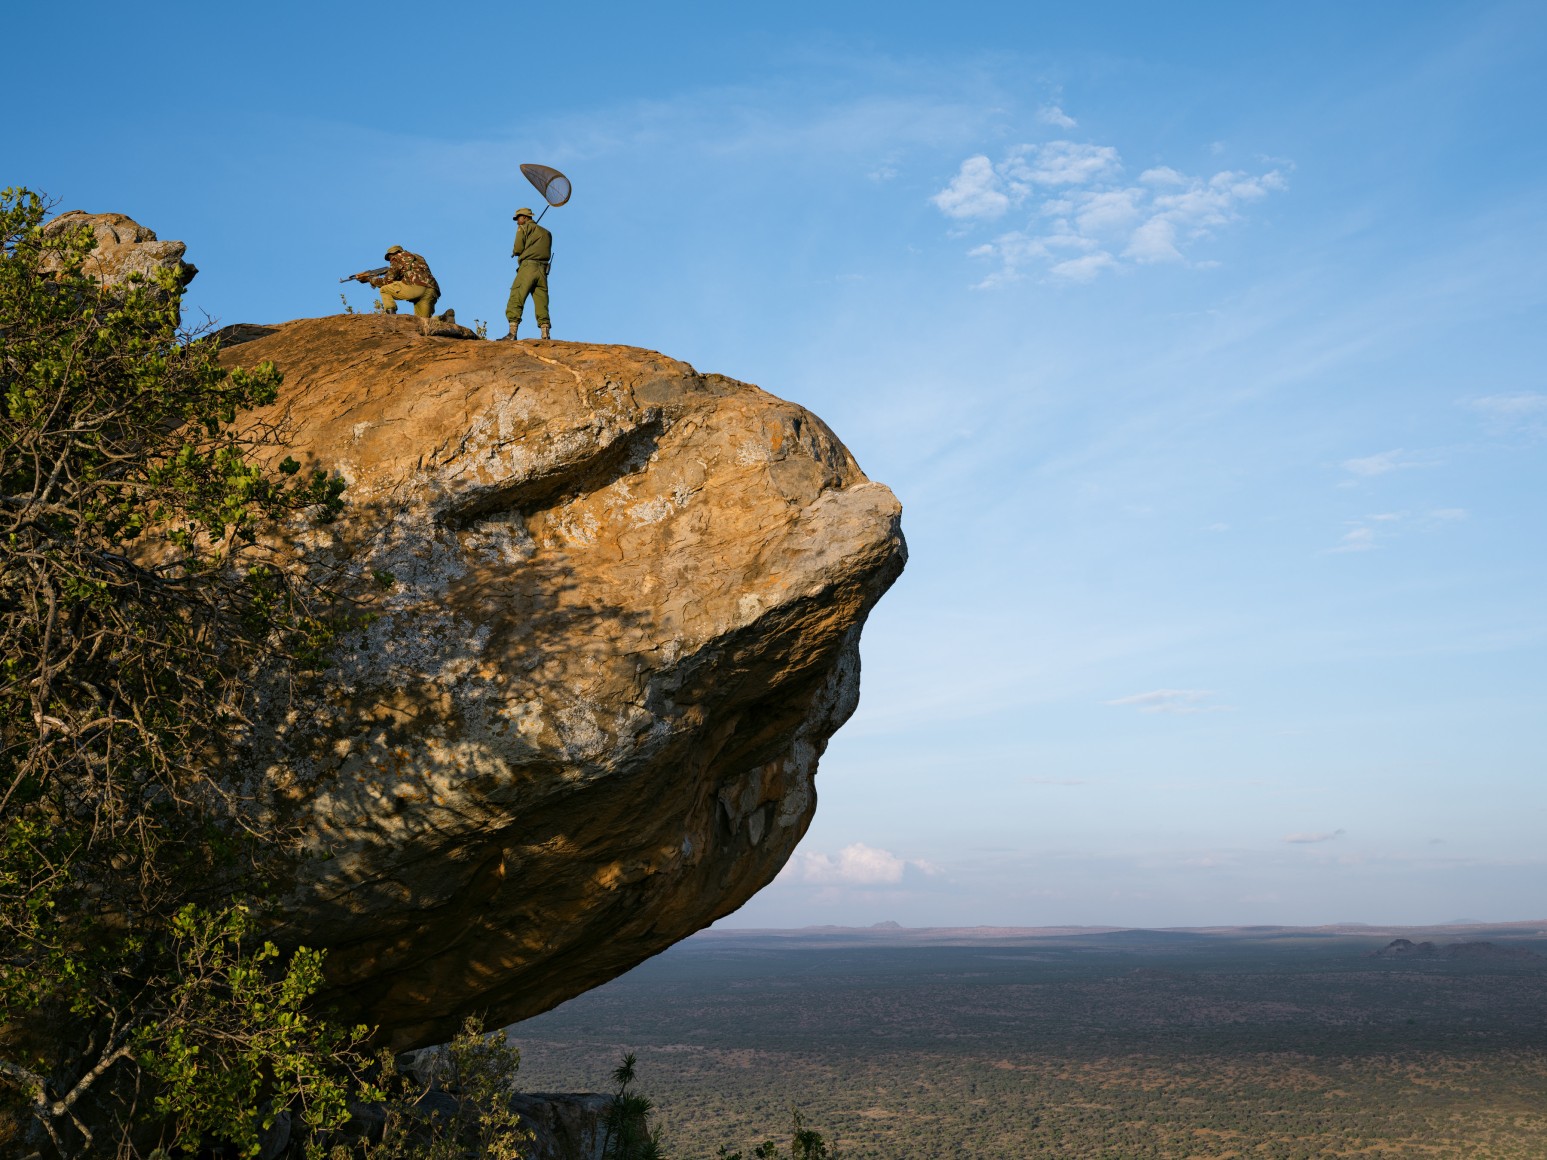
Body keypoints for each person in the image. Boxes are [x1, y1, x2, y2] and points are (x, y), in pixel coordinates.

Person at [504, 208, 552, 340]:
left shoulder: (523, 228)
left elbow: (518, 248)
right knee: (541, 300)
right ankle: (545, 333)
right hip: (542, 270)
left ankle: (512, 334)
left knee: (516, 296)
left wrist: (516, 251)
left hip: (528, 268)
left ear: (525, 217)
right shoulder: (546, 233)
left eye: (518, 218)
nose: (517, 222)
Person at [370, 245, 440, 317]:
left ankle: (391, 317)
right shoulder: (418, 258)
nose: (390, 260)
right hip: (432, 289)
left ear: (393, 253)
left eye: (389, 257)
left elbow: (387, 280)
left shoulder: (398, 257)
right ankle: (443, 317)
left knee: (384, 290)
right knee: (423, 321)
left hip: (417, 287)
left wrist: (373, 280)